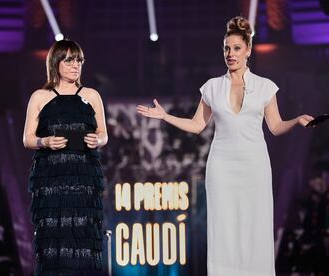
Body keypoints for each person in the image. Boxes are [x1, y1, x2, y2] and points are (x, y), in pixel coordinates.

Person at [137, 16, 314, 276]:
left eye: (236, 48)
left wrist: (297, 120)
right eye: (226, 48)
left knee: (255, 226)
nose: (230, 54)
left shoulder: (266, 87)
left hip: (255, 166)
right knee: (224, 228)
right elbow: (197, 125)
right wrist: (165, 116)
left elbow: (275, 127)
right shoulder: (211, 87)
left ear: (248, 50)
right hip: (221, 167)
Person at [23, 40, 108, 275]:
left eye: (79, 60)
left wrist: (97, 140)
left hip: (83, 177)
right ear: (55, 62)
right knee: (54, 240)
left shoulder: (91, 95)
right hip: (52, 178)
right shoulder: (40, 96)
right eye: (69, 60)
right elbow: (27, 138)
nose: (75, 65)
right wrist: (45, 141)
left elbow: (103, 133)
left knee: (82, 239)